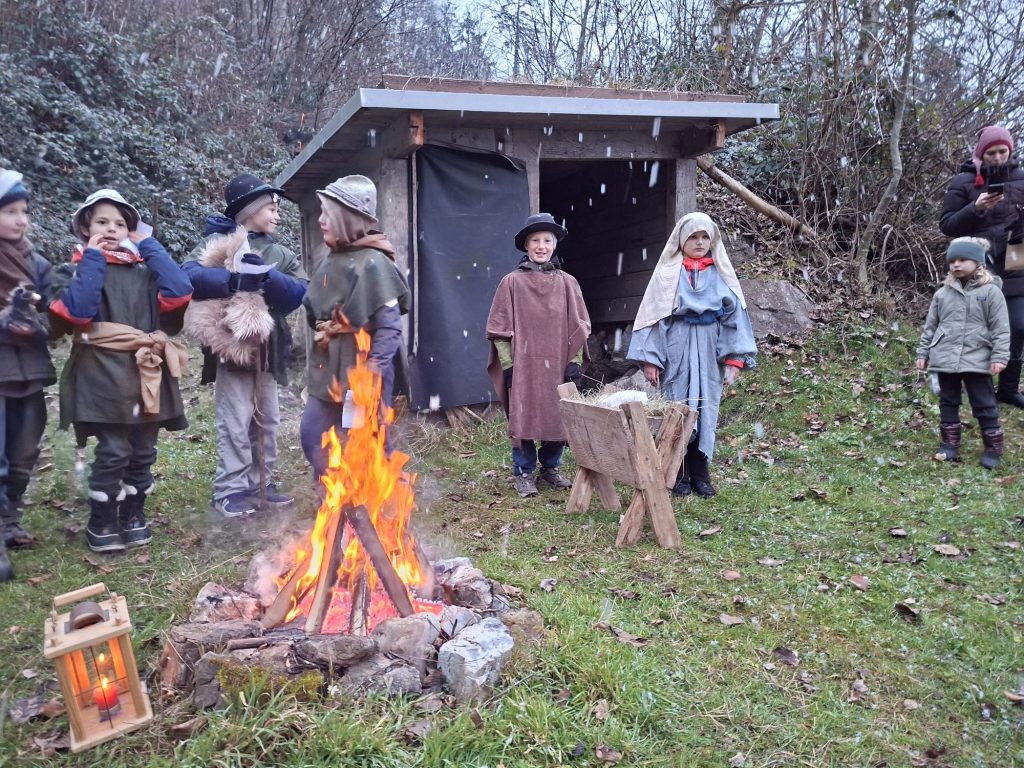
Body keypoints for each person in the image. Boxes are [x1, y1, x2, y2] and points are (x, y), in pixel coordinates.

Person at [50, 189, 192, 552]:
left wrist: (149, 245)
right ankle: (102, 520)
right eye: (102, 222)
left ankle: (133, 514)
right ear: (85, 228)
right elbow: (79, 311)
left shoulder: (144, 270)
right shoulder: (77, 269)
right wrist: (93, 259)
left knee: (144, 449)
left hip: (146, 369)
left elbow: (179, 291)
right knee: (113, 449)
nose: (111, 229)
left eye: (120, 224)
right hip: (101, 372)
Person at [183, 174, 308, 517]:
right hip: (231, 347)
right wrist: (234, 279)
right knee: (235, 419)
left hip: (268, 349)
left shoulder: (281, 253)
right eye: (271, 208)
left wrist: (268, 275)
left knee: (267, 420)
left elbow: (298, 293)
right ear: (249, 210)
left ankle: (260, 483)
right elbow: (188, 277)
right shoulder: (215, 243)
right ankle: (231, 489)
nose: (277, 215)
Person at [626, 211, 756, 498]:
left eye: (704, 237)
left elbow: (734, 317)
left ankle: (701, 473)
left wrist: (734, 359)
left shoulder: (721, 274)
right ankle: (678, 473)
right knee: (677, 405)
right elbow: (655, 316)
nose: (699, 242)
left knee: (706, 408)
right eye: (693, 237)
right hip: (676, 345)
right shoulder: (668, 274)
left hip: (710, 348)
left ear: (712, 240)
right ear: (681, 240)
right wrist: (651, 358)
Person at [300, 175, 409, 480]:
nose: (320, 220)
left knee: (361, 441)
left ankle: (373, 500)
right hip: (328, 371)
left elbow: (389, 329)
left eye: (327, 214)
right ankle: (331, 495)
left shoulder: (375, 263)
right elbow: (314, 309)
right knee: (313, 435)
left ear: (346, 219)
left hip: (362, 371)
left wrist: (371, 373)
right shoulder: (329, 260)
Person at [486, 213, 591, 498]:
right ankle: (523, 472)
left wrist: (574, 363)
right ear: (526, 245)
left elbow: (579, 327)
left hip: (557, 364)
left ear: (554, 245)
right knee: (524, 416)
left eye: (547, 240)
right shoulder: (511, 282)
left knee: (558, 415)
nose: (541, 246)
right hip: (524, 365)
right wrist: (509, 365)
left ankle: (550, 468)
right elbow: (499, 329)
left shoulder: (568, 283)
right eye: (535, 240)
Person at [940, 125, 1024, 408]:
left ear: (1010, 151)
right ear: (981, 153)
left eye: (1002, 152)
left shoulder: (1021, 178)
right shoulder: (964, 181)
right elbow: (947, 225)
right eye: (991, 153)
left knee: (1018, 327)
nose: (998, 158)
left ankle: (1008, 390)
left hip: (1016, 261)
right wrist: (975, 208)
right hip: (978, 264)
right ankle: (980, 388)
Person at [0, 170, 56, 581]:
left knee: (22, 455)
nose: (21, 220)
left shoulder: (36, 263)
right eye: (10, 212)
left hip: (30, 372)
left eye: (24, 211)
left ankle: (9, 520)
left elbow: (58, 316)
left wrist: (37, 320)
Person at [916, 237, 1009, 469]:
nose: (956, 264)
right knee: (948, 401)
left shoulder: (991, 292)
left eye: (962, 259)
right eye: (952, 261)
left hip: (978, 357)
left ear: (977, 262)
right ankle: (949, 444)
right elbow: (931, 326)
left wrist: (999, 356)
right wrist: (923, 352)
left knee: (984, 403)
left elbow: (1000, 327)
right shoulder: (942, 294)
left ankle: (993, 448)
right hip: (945, 357)